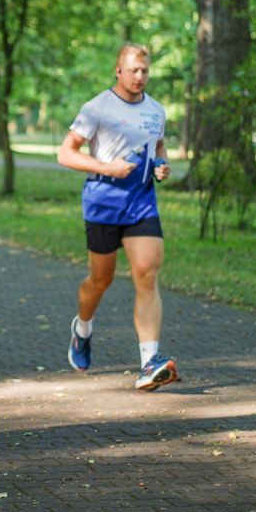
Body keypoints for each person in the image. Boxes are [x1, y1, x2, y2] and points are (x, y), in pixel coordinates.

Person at [57, 43, 177, 391]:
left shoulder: (156, 110)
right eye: (133, 70)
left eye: (145, 71)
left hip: (142, 204)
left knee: (147, 274)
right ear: (118, 71)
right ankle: (82, 328)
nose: (140, 77)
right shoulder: (97, 107)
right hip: (103, 204)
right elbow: (66, 153)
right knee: (100, 280)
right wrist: (106, 167)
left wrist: (162, 166)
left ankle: (149, 363)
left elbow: (157, 148)